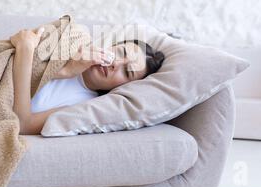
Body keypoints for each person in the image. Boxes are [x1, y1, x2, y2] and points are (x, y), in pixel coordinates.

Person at [10, 27, 165, 135]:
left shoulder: (84, 106)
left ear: (124, 87)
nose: (115, 63)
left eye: (127, 71)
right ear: (110, 46)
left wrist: (26, 51)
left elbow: (22, 125)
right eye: (119, 52)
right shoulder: (70, 43)